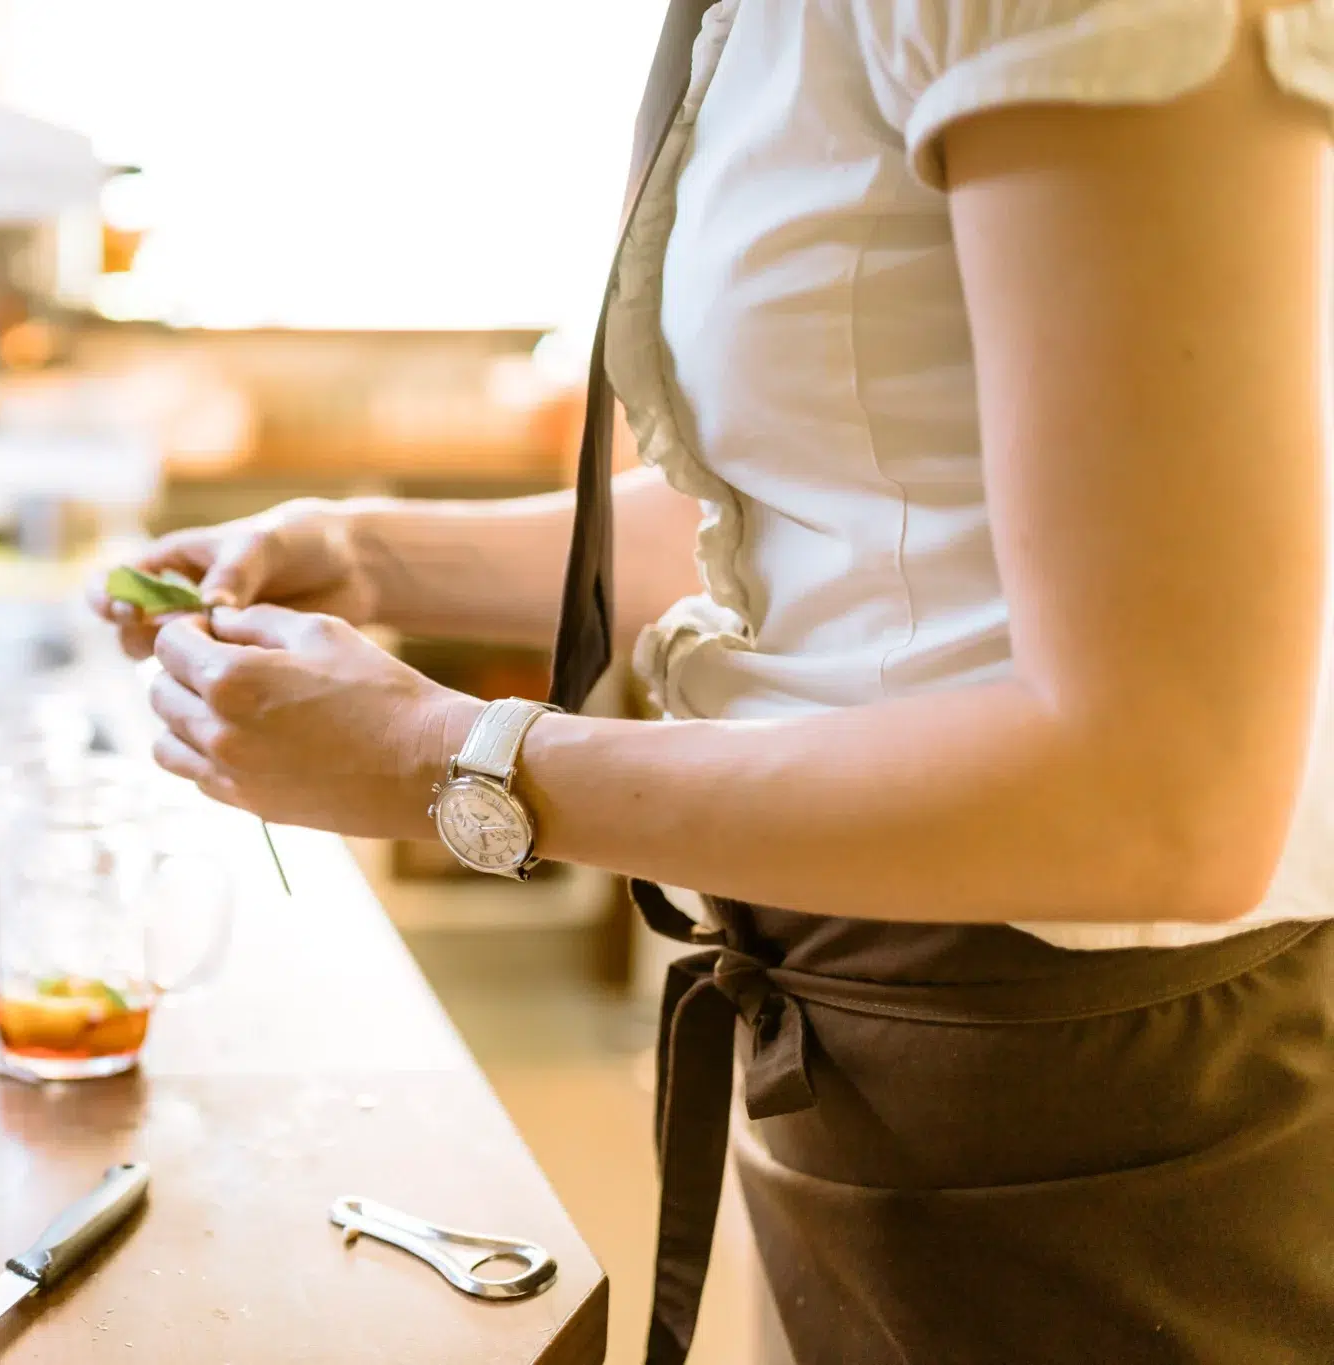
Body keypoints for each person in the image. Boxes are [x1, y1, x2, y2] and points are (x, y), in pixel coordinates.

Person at [89, 1, 1334, 1361]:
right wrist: (374, 552)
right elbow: (829, 514)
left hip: (1086, 1090)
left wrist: (452, 760)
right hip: (868, 1018)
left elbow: (1164, 800)